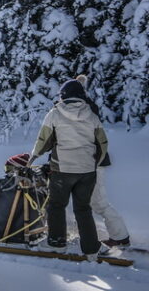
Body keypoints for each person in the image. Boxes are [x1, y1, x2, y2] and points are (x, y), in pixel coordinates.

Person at [28, 78, 111, 260]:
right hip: (87, 172)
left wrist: (33, 156)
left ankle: (56, 244)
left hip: (62, 170)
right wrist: (94, 163)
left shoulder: (55, 113)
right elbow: (102, 143)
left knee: (56, 206)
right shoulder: (91, 114)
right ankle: (91, 249)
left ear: (63, 96)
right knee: (83, 208)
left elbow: (44, 140)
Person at [75, 75, 130, 247]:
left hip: (91, 163)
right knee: (89, 202)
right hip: (89, 162)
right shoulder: (88, 107)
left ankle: (120, 238)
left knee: (99, 202)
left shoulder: (81, 110)